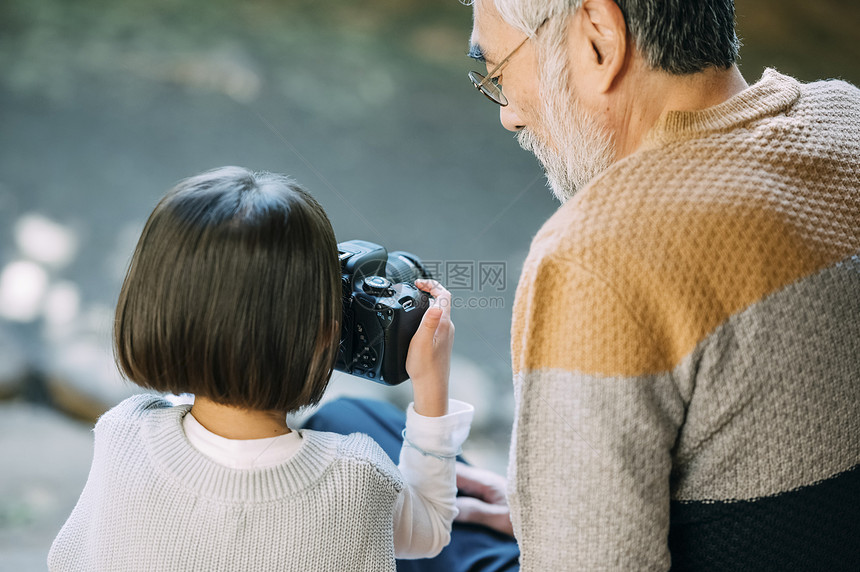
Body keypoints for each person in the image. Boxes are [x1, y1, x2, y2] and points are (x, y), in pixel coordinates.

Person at [460, 0, 860, 569]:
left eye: (498, 73)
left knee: (373, 456)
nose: (510, 116)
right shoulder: (848, 116)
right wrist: (554, 508)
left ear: (599, 38)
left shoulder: (595, 255)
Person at [48, 166, 475, 571]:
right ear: (327, 336)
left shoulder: (121, 432)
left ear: (150, 311)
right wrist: (430, 381)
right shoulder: (357, 480)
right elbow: (432, 526)